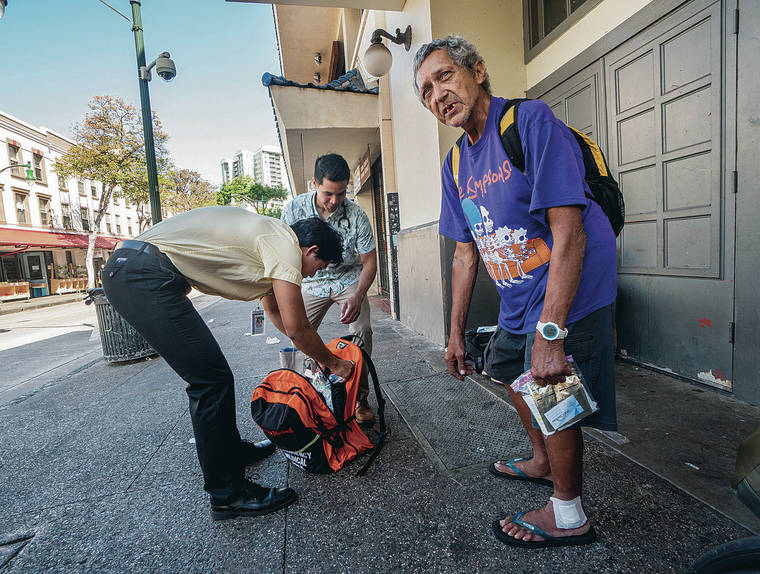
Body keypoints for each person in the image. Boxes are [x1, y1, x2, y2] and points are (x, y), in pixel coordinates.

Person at [414, 36, 618, 548]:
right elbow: (465, 253)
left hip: (571, 286)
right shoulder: (456, 164)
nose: (437, 95)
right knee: (507, 367)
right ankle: (545, 458)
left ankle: (569, 513)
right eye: (424, 91)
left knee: (552, 387)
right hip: (517, 296)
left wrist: (551, 333)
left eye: (443, 76)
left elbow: (570, 230)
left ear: (477, 71)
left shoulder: (528, 122)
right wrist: (454, 333)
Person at [101, 206, 353, 521]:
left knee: (215, 377)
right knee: (210, 382)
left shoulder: (270, 242)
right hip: (143, 273)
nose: (315, 273)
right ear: (311, 249)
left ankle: (231, 452)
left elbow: (276, 314)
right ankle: (228, 495)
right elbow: (297, 328)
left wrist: (308, 352)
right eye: (320, 264)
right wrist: (335, 364)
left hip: (135, 269)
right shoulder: (285, 242)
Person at [281, 153, 378, 424]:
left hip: (348, 280)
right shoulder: (292, 210)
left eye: (341, 194)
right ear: (314, 183)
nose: (335, 201)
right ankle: (305, 396)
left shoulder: (357, 214)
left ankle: (360, 398)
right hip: (310, 282)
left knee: (362, 330)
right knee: (297, 335)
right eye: (328, 194)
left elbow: (370, 261)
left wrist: (358, 296)